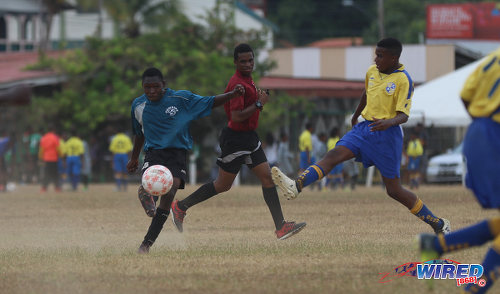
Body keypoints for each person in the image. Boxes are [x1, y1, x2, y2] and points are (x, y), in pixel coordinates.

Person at [271, 38, 450, 235]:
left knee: (394, 190)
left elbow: (404, 116)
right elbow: (367, 93)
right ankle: (297, 185)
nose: (376, 59)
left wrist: (387, 123)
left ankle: (438, 224)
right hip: (364, 129)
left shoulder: (403, 79)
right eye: (376, 54)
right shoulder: (372, 72)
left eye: (380, 56)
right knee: (334, 155)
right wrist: (356, 115)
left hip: (387, 136)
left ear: (394, 57)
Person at [169, 43, 306, 241]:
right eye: (243, 61)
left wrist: (258, 98)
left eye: (250, 60)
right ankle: (180, 207)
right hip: (236, 140)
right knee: (222, 185)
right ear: (235, 62)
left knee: (267, 178)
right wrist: (260, 103)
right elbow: (236, 117)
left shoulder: (248, 79)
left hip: (250, 138)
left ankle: (281, 227)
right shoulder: (237, 84)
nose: (248, 64)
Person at [127, 67, 245, 254]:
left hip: (177, 153)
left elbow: (210, 102)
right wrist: (134, 158)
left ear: (163, 85)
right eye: (146, 87)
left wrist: (232, 94)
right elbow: (138, 134)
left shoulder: (181, 99)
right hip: (154, 153)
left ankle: (146, 244)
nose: (151, 91)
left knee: (171, 190)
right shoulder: (138, 105)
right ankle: (146, 191)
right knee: (155, 183)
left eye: (155, 86)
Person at [418, 48, 500, 294]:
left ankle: (438, 245)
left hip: (478, 133)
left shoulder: (494, 57)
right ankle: (476, 288)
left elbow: (465, 95)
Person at [39, 126, 62, 192]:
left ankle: (44, 188)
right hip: (54, 159)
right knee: (55, 174)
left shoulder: (44, 138)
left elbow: (41, 150)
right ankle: (57, 188)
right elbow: (58, 148)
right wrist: (61, 155)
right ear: (53, 130)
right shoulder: (55, 138)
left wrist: (41, 158)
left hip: (46, 159)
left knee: (46, 174)